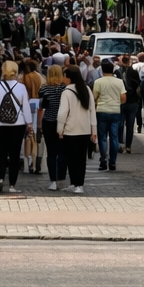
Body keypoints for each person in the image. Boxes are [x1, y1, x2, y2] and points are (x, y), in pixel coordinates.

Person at [0, 60, 32, 196]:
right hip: (18, 124)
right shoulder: (21, 87)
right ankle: (12, 185)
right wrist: (29, 124)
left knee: (1, 153)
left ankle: (1, 178)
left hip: (0, 125)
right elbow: (26, 108)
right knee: (14, 155)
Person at [58, 65, 97, 194]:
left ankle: (75, 183)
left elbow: (63, 113)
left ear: (69, 77)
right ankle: (79, 184)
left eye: (64, 76)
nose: (63, 78)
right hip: (85, 130)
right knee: (81, 159)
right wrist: (94, 131)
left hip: (70, 130)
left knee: (72, 158)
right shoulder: (86, 89)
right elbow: (92, 111)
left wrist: (60, 129)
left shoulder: (66, 92)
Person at [38, 64, 68, 190]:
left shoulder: (44, 89)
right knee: (62, 151)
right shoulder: (65, 89)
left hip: (49, 121)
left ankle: (53, 181)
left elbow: (42, 105)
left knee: (51, 152)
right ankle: (61, 178)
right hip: (63, 122)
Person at [93, 59, 126, 171]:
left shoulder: (98, 82)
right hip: (115, 112)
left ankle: (103, 160)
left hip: (101, 111)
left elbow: (94, 98)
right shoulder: (119, 82)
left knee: (102, 137)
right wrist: (116, 103)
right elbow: (123, 98)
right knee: (114, 137)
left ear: (102, 70)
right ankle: (113, 162)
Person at [121, 61, 142, 153]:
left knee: (120, 124)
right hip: (133, 101)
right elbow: (138, 85)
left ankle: (120, 144)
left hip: (122, 101)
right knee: (130, 125)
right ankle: (128, 146)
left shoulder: (119, 72)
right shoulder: (135, 72)